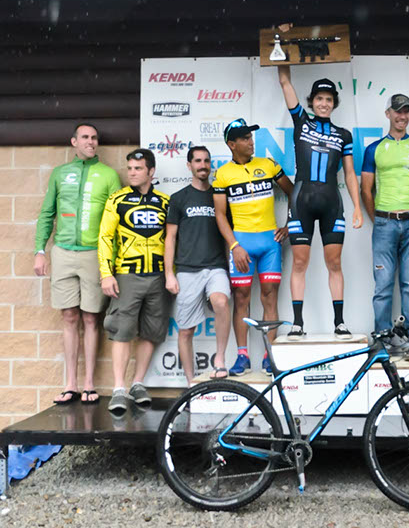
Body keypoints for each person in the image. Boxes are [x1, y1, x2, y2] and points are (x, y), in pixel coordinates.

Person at [34, 123, 121, 405]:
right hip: (62, 252)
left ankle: (89, 384)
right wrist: (40, 250)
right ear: (74, 141)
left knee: (90, 317)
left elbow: (115, 221)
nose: (91, 142)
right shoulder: (60, 174)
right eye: (85, 137)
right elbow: (47, 213)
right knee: (69, 316)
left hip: (94, 253)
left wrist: (110, 262)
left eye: (94, 138)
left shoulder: (109, 175)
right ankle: (70, 384)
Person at [277, 65, 363, 340]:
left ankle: (339, 322)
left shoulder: (344, 135)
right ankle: (297, 323)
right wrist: (281, 49)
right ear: (311, 102)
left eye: (328, 99)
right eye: (319, 99)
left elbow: (349, 173)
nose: (324, 103)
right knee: (300, 262)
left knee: (334, 263)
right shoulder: (302, 122)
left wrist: (358, 207)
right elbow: (284, 81)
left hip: (331, 203)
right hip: (301, 201)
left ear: (334, 104)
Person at [213, 119, 294, 375]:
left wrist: (289, 225)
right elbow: (219, 215)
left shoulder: (268, 165)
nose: (251, 142)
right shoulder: (223, 174)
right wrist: (235, 246)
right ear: (232, 144)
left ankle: (271, 356)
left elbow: (295, 193)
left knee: (270, 296)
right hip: (242, 243)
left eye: (251, 137)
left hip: (270, 242)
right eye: (246, 138)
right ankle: (242, 356)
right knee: (242, 298)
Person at [361, 93, 409, 361]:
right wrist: (378, 218)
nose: (402, 116)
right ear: (388, 114)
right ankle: (380, 340)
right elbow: (366, 191)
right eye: (397, 112)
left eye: (406, 112)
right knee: (382, 286)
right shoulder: (374, 149)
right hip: (384, 223)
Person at [98, 149, 170, 412]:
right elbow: (105, 238)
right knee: (122, 331)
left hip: (158, 275)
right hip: (127, 274)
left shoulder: (165, 202)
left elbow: (173, 240)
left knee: (152, 331)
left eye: (138, 169)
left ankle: (138, 383)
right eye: (129, 168)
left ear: (151, 172)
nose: (131, 173)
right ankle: (119, 388)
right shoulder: (117, 200)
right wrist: (106, 273)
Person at [165, 146, 231, 385]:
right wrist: (169, 274)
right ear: (189, 165)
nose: (202, 165)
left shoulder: (219, 196)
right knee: (186, 331)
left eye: (206, 161)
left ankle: (220, 359)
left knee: (221, 301)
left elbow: (227, 235)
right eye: (198, 161)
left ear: (211, 164)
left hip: (216, 266)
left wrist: (230, 269)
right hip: (187, 269)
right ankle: (190, 383)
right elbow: (170, 238)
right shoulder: (179, 198)